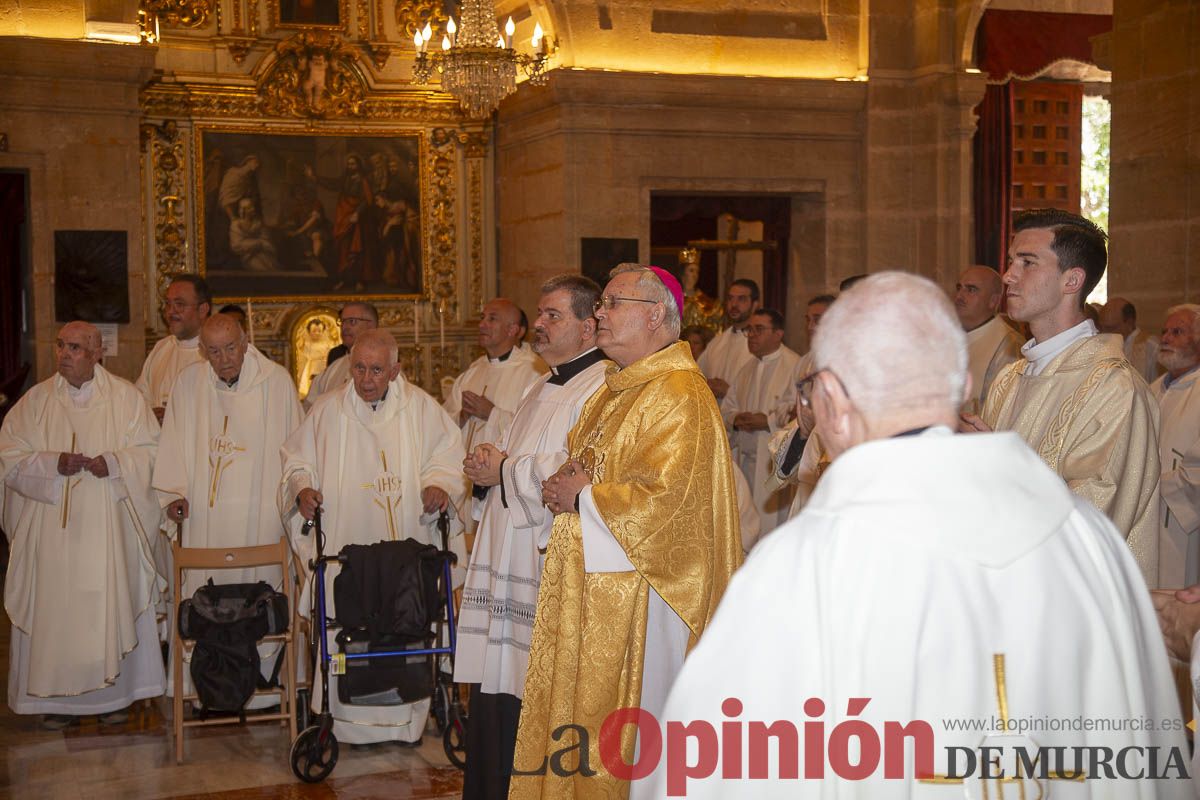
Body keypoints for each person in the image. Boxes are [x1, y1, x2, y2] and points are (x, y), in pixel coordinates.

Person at [655, 273, 1190, 799]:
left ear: (830, 400)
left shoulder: (801, 568)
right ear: (963, 388)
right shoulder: (1083, 536)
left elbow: (714, 768)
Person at [511, 264, 742, 798]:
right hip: (596, 588)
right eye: (602, 303)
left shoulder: (680, 392)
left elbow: (670, 504)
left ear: (656, 314)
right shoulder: (615, 390)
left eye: (614, 303)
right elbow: (582, 464)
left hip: (646, 601)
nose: (600, 314)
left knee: (636, 739)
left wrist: (584, 496)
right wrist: (568, 483)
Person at [454, 275, 610, 800]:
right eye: (539, 315)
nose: (538, 325)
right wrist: (487, 466)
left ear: (589, 325)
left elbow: (581, 470)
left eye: (552, 316)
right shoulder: (540, 383)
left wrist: (506, 469)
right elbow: (523, 458)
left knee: (534, 684)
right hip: (510, 556)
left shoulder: (604, 388)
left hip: (547, 557)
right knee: (501, 683)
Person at [279, 329, 468, 746]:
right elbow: (297, 462)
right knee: (347, 621)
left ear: (396, 370)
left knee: (406, 619)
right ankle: (344, 722)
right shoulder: (327, 412)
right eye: (359, 368)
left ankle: (408, 715)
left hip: (407, 543)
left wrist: (438, 485)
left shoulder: (421, 409)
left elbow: (448, 460)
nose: (366, 379)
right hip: (349, 552)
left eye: (377, 369)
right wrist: (302, 491)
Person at [970, 209, 1161, 585]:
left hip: (1077, 607)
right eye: (1011, 262)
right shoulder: (1010, 379)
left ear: (1072, 280)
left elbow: (1089, 526)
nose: (1008, 275)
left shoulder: (1115, 390)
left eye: (1027, 262)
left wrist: (998, 467)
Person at [2, 322, 164, 729]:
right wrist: (50, 464)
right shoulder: (36, 401)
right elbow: (8, 455)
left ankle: (113, 697)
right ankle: (57, 698)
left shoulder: (127, 399)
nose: (64, 354)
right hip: (50, 532)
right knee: (54, 608)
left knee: (109, 602)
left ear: (97, 354)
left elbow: (151, 453)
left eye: (75, 347)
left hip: (107, 528)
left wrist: (112, 463)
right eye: (60, 345)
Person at [153, 314, 303, 704]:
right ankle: (205, 685)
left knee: (262, 590)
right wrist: (173, 495)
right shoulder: (188, 384)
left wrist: (292, 502)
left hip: (261, 518)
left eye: (231, 348)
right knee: (205, 593)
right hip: (205, 515)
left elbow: (294, 451)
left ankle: (265, 687)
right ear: (203, 351)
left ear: (246, 340)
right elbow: (171, 445)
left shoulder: (276, 383)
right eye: (214, 351)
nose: (224, 360)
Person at [721, 308, 804, 530]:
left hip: (772, 463)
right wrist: (737, 419)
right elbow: (728, 406)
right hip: (745, 459)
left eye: (759, 329)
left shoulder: (794, 365)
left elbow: (798, 408)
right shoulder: (746, 368)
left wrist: (767, 421)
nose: (752, 335)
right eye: (749, 330)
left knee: (772, 525)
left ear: (778, 334)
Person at [442, 298, 542, 463]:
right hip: (465, 473)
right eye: (482, 317)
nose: (481, 324)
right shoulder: (472, 372)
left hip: (503, 475)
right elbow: (441, 425)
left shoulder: (534, 372)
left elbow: (535, 430)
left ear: (513, 330)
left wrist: (492, 413)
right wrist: (461, 416)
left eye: (492, 319)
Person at [1150, 304, 1200, 588]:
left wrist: (1151, 485)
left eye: (1177, 332)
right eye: (1164, 332)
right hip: (1147, 520)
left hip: (1185, 525)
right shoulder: (1152, 388)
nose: (1166, 338)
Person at [137, 274, 212, 424]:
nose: (171, 311)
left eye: (179, 304)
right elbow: (140, 397)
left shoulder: (217, 353)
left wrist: (175, 418)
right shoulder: (161, 348)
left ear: (203, 310)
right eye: (168, 304)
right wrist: (151, 415)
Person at [953, 265, 1023, 413]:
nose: (959, 296)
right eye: (959, 288)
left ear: (993, 301)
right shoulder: (947, 336)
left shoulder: (1009, 345)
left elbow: (1002, 411)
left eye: (971, 289)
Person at [303, 302, 378, 411]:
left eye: (352, 321)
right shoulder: (333, 369)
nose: (345, 327)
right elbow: (310, 409)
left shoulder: (386, 365)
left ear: (370, 325)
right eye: (342, 322)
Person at [696, 279, 760, 401]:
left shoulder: (760, 345)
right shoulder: (717, 342)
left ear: (755, 304)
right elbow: (697, 377)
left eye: (741, 299)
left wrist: (728, 392)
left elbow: (762, 394)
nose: (734, 304)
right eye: (730, 298)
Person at [1100, 296, 1163, 384]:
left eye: (1111, 328)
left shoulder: (1151, 346)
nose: (1104, 333)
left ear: (1129, 323)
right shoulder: (1105, 345)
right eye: (1102, 328)